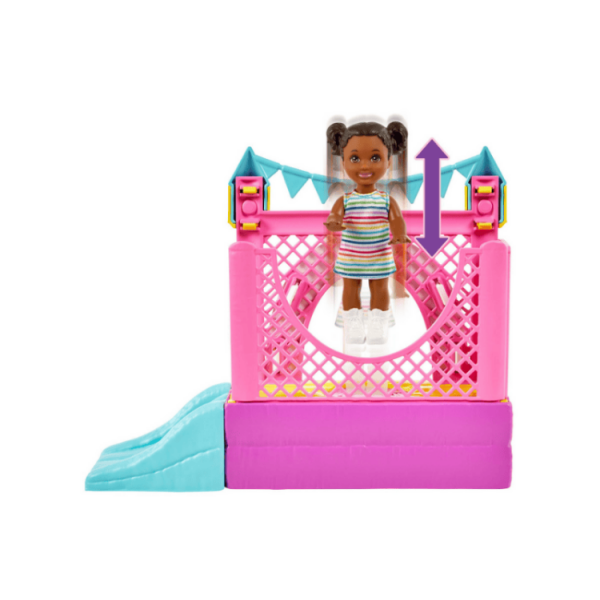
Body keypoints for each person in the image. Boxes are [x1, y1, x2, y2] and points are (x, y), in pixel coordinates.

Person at [324, 121, 410, 344]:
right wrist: (334, 221)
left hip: (379, 254)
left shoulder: (385, 200)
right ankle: (352, 322)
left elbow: (396, 219)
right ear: (343, 161)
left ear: (388, 161)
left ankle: (378, 322)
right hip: (351, 256)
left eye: (375, 158)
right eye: (354, 158)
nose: (364, 166)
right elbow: (335, 214)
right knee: (350, 288)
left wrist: (399, 235)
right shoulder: (345, 200)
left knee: (380, 288)